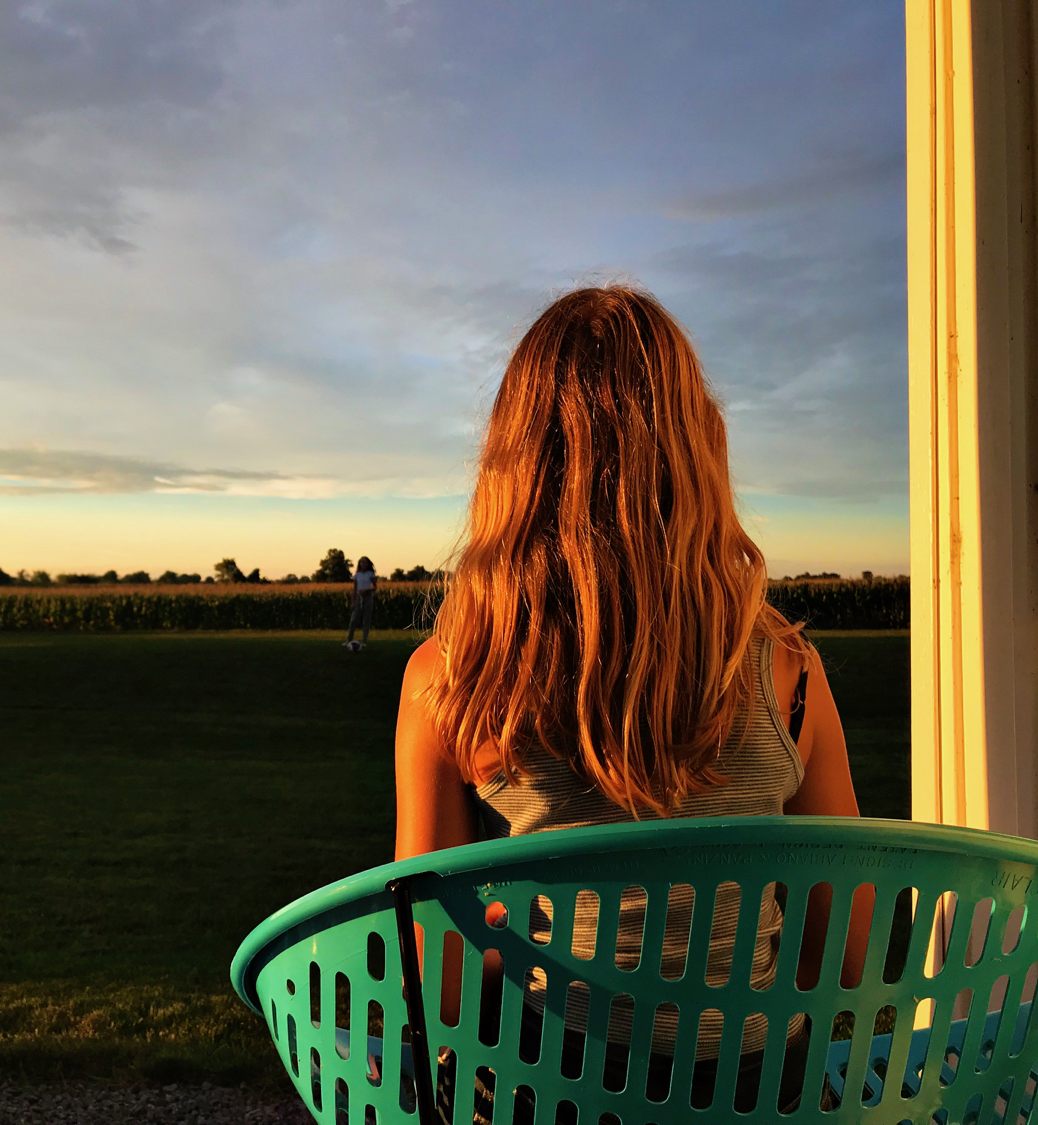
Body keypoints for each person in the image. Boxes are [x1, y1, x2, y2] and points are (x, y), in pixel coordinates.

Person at [393, 286, 868, 1119]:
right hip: (754, 1100)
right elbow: (848, 954)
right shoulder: (789, 672)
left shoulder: (452, 678)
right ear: (696, 453)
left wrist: (509, 939)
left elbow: (436, 986)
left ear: (514, 465)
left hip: (545, 1095)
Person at [345, 556, 377, 649]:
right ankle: (348, 640)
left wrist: (367, 590)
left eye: (365, 562)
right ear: (359, 564)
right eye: (362, 562)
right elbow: (354, 589)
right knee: (353, 620)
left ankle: (364, 640)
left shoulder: (370, 574)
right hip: (359, 598)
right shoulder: (357, 575)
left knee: (366, 620)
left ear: (368, 564)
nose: (364, 564)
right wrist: (353, 602)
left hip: (368, 597)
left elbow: (374, 587)